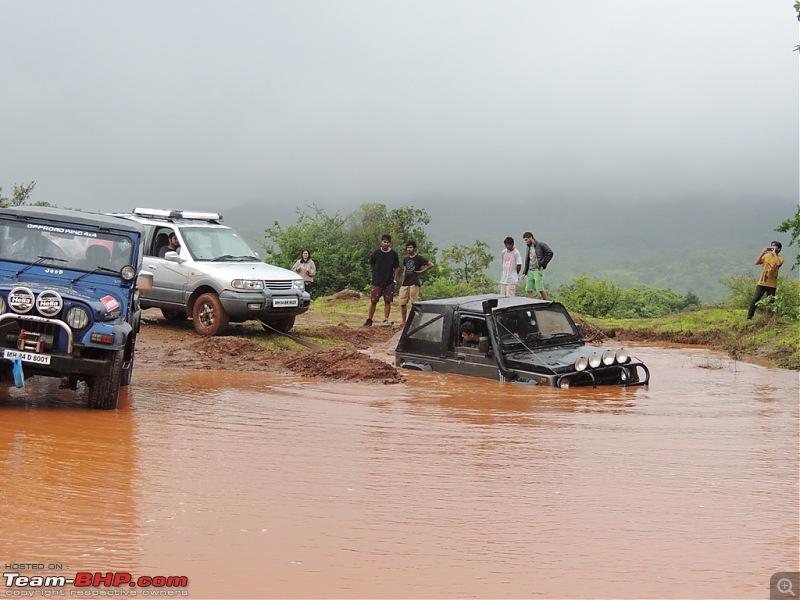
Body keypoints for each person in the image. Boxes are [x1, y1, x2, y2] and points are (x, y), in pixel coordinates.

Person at [365, 234, 400, 326]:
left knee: (387, 301)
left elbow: (396, 268)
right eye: (384, 242)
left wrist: (395, 280)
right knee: (373, 301)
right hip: (377, 281)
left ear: (390, 243)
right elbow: (371, 265)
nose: (386, 244)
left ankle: (386, 319)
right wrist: (376, 273)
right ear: (381, 242)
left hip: (389, 281)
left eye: (388, 242)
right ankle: (369, 319)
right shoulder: (375, 253)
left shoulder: (393, 254)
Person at [398, 240, 434, 325]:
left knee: (414, 302)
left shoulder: (419, 258)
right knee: (402, 302)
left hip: (414, 282)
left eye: (410, 247)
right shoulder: (406, 259)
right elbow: (404, 270)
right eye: (408, 247)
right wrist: (402, 282)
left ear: (414, 248)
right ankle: (403, 321)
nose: (409, 249)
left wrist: (421, 271)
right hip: (406, 282)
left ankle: (415, 321)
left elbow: (431, 264)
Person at [747, 241, 784, 319]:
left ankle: (768, 318)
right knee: (755, 299)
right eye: (772, 246)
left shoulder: (780, 258)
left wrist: (774, 254)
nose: (772, 248)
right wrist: (763, 252)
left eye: (775, 247)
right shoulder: (766, 256)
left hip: (772, 284)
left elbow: (778, 264)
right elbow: (756, 262)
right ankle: (749, 317)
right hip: (762, 282)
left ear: (779, 249)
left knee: (770, 302)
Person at [521, 232, 553, 300]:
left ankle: (546, 303)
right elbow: (527, 260)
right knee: (529, 289)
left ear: (531, 238)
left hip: (537, 270)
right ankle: (530, 304)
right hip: (530, 270)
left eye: (526, 239)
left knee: (540, 288)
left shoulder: (540, 245)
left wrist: (543, 263)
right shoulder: (528, 247)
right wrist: (524, 272)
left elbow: (550, 253)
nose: (525, 241)